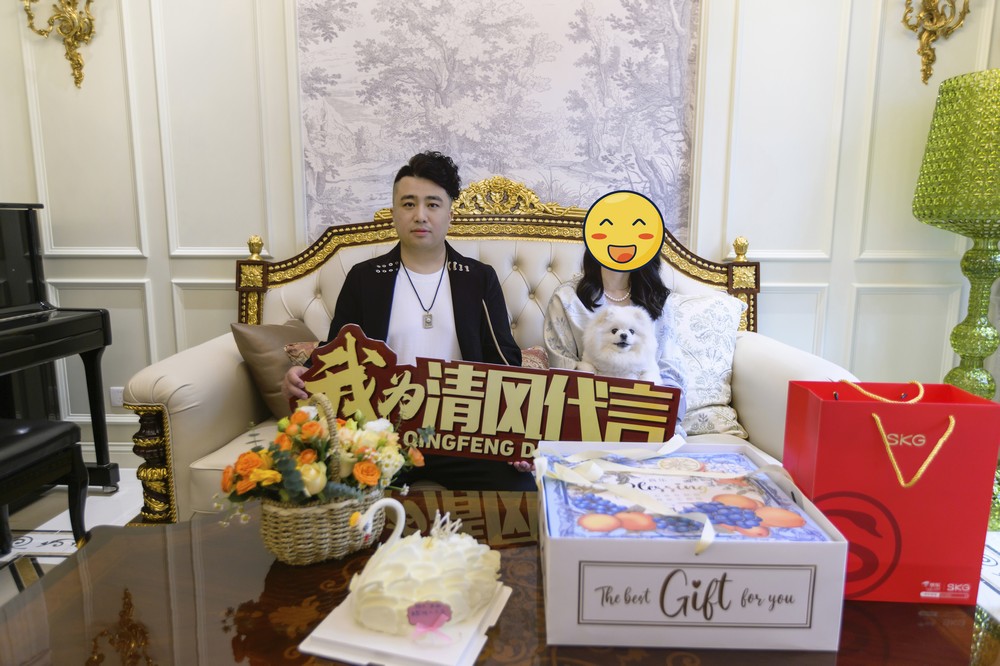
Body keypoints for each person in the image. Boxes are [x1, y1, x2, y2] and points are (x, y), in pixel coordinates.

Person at [282, 151, 533, 490]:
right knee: (328, 489)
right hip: (382, 433)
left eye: (433, 204)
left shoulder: (477, 278)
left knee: (521, 488)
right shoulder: (365, 278)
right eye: (409, 204)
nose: (420, 215)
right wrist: (302, 376)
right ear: (394, 212)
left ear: (450, 213)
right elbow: (337, 352)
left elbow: (504, 360)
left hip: (464, 434)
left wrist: (518, 435)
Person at [543, 250, 688, 430]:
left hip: (649, 416)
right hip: (586, 416)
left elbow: (670, 366)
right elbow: (562, 369)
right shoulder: (566, 298)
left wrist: (656, 406)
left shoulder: (658, 299)